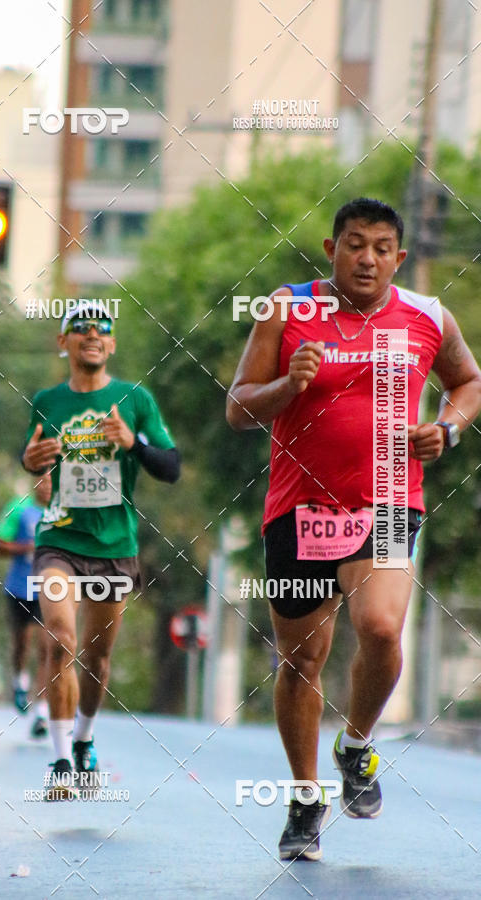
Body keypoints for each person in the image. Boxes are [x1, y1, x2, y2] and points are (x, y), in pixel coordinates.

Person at [226, 198, 481, 860]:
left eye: (381, 247)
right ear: (330, 248)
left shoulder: (428, 316)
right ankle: (305, 800)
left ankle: (358, 744)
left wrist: (447, 428)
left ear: (398, 257)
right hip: (299, 510)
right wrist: (288, 385)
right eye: (354, 244)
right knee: (301, 661)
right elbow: (237, 407)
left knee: (380, 627)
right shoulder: (287, 309)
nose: (366, 257)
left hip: (391, 502)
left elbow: (468, 381)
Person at [22, 299, 180, 798]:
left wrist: (132, 443)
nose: (92, 334)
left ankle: (86, 739)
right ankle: (62, 760)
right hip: (60, 540)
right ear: (63, 341)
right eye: (80, 327)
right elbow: (38, 463)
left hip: (115, 543)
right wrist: (32, 467)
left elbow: (171, 467)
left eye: (102, 329)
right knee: (60, 640)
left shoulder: (134, 399)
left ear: (111, 344)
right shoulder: (47, 400)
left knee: (96, 657)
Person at [0, 473, 52, 738]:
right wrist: (27, 547)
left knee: (47, 648)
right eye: (43, 480)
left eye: (53, 481)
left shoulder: (63, 512)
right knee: (22, 643)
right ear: (35, 482)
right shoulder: (18, 507)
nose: (47, 486)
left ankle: (41, 713)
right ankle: (20, 682)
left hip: (49, 591)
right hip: (18, 587)